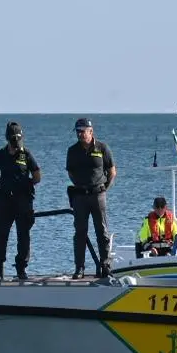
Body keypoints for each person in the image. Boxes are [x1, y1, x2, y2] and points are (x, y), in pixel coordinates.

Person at [0, 121, 41, 281]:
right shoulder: (0, 155)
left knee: (23, 235)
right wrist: (3, 184)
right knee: (1, 236)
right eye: (13, 140)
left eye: (18, 140)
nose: (16, 144)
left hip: (23, 200)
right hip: (4, 201)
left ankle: (21, 269)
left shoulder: (26, 154)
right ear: (7, 139)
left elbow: (37, 175)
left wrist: (26, 185)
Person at [65, 116, 116, 278]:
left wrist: (104, 188)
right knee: (80, 233)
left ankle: (105, 265)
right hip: (80, 196)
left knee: (102, 231)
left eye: (82, 131)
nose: (80, 134)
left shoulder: (102, 148)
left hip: (98, 195)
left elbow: (112, 171)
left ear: (91, 131)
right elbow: (70, 172)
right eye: (77, 132)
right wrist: (80, 185)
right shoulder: (72, 151)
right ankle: (79, 268)